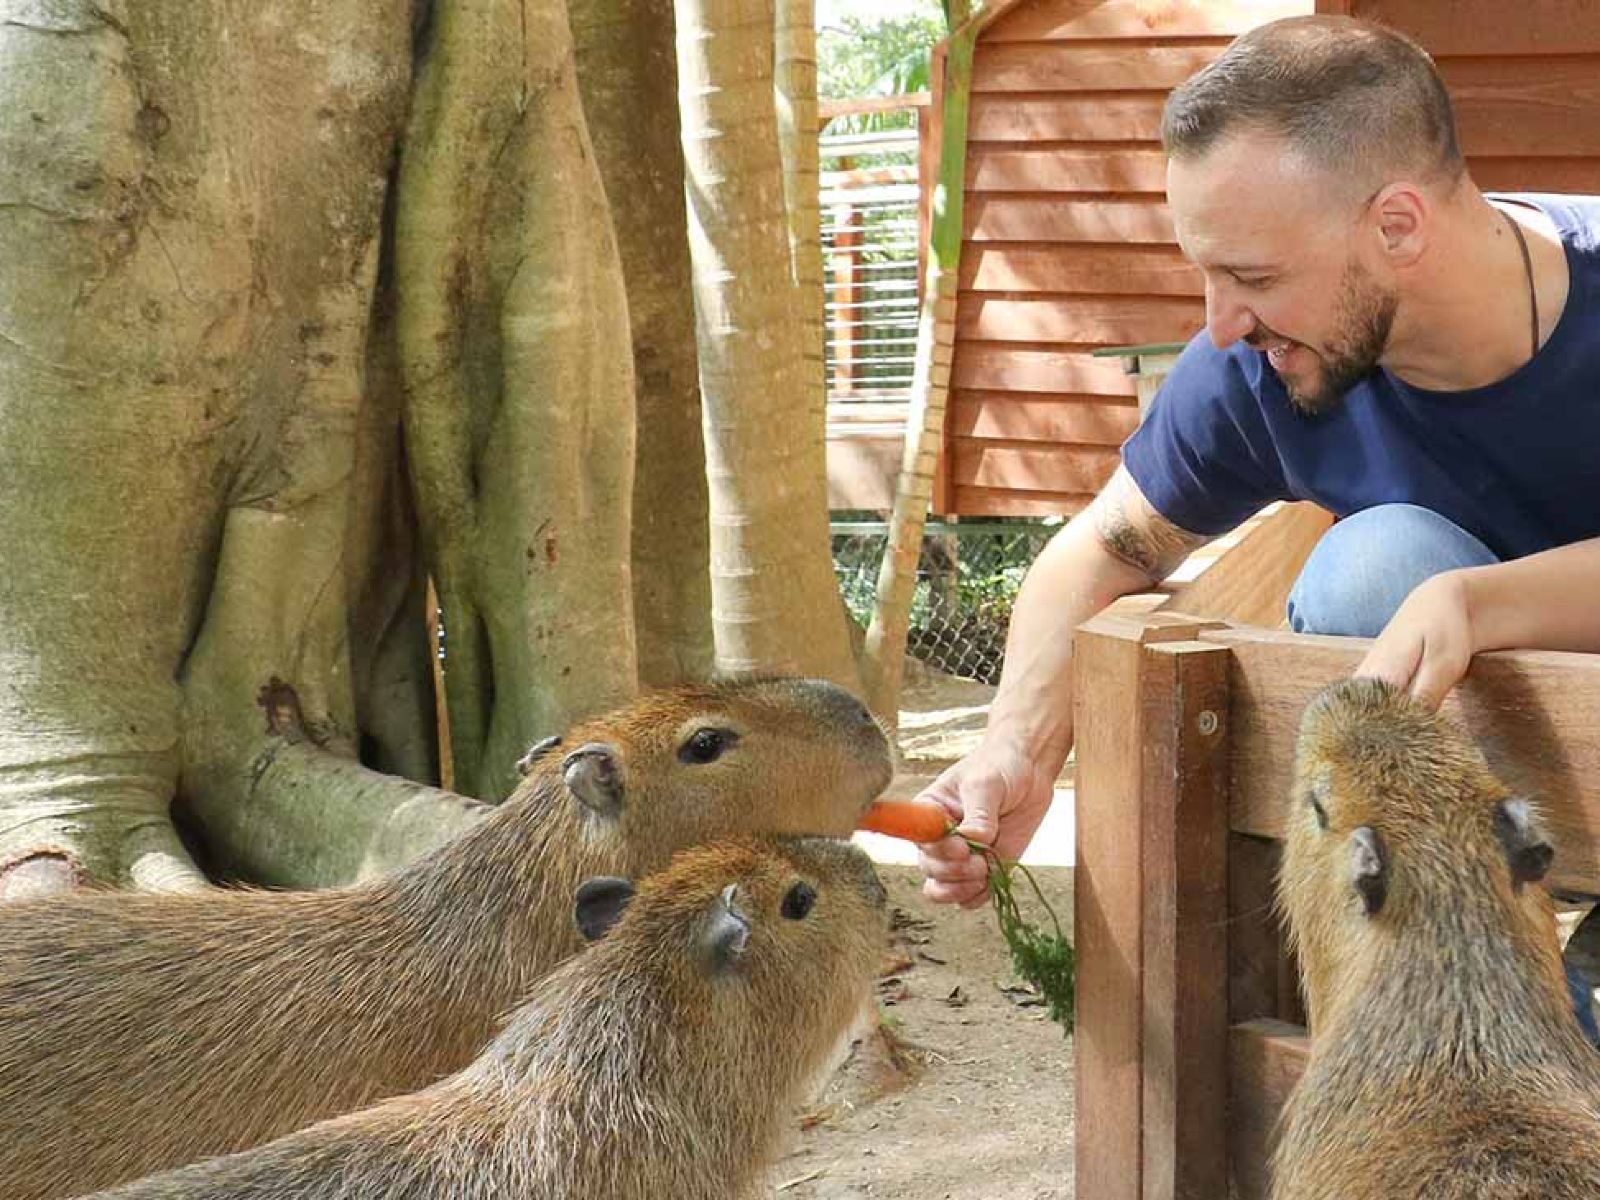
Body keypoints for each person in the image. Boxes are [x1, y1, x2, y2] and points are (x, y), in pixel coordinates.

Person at [916, 15, 1600, 918]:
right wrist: (1017, 747)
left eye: (1257, 277)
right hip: (1508, 815)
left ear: (1398, 225)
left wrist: (1479, 603)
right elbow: (1103, 549)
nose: (1222, 321)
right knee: (1381, 568)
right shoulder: (1258, 364)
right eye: (1207, 274)